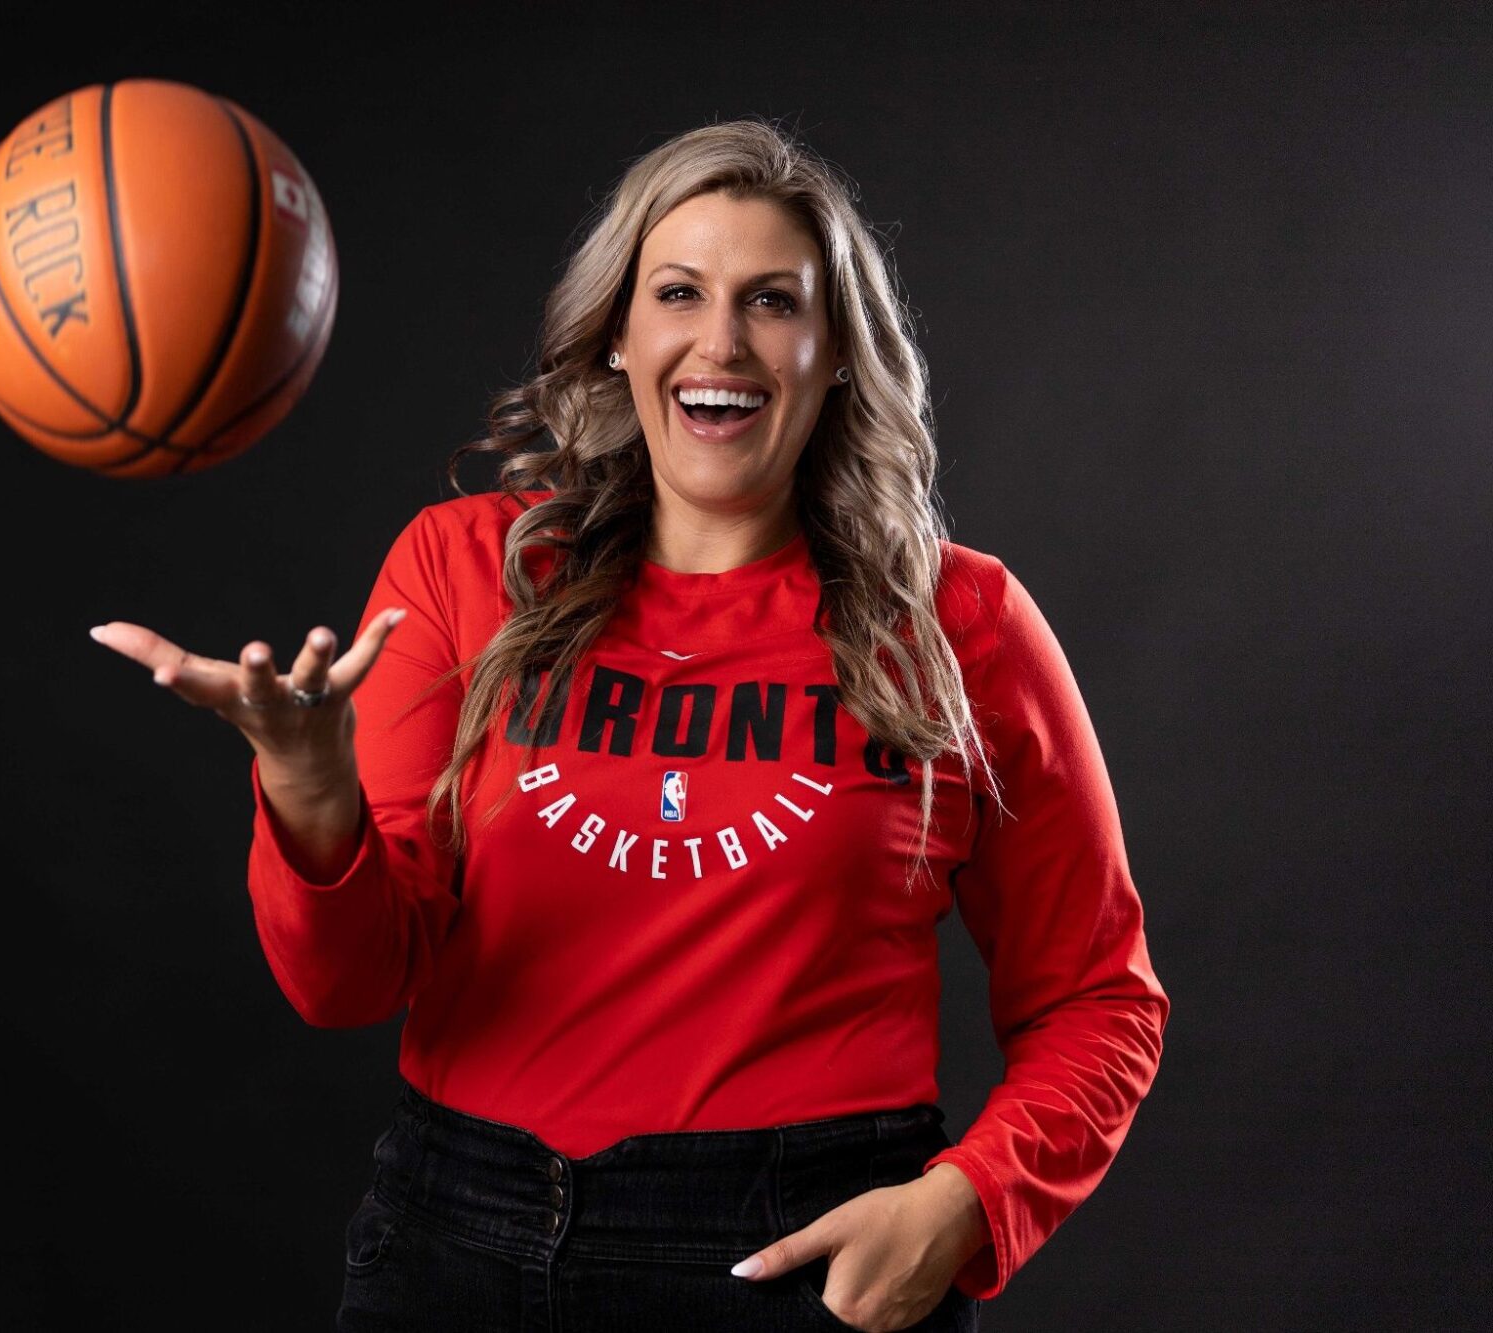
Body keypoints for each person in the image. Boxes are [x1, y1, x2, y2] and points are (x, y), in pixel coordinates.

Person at [90, 120, 1169, 1332]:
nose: (720, 342)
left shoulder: (958, 620)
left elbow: (1096, 998)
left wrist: (968, 1203)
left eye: (771, 301)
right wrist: (305, 789)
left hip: (800, 1253)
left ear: (836, 356)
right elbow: (343, 987)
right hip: (459, 1243)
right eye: (677, 294)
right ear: (619, 335)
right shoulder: (464, 571)